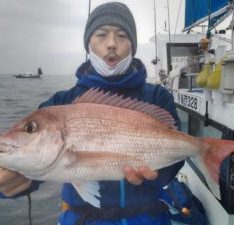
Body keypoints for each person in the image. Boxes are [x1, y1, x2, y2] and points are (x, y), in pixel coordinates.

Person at [0, 2, 184, 225]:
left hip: (147, 218)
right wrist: (12, 183)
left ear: (133, 45)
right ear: (88, 43)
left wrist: (155, 176)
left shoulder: (158, 97)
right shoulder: (61, 102)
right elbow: (37, 166)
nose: (112, 44)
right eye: (101, 35)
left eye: (122, 35)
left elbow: (174, 161)